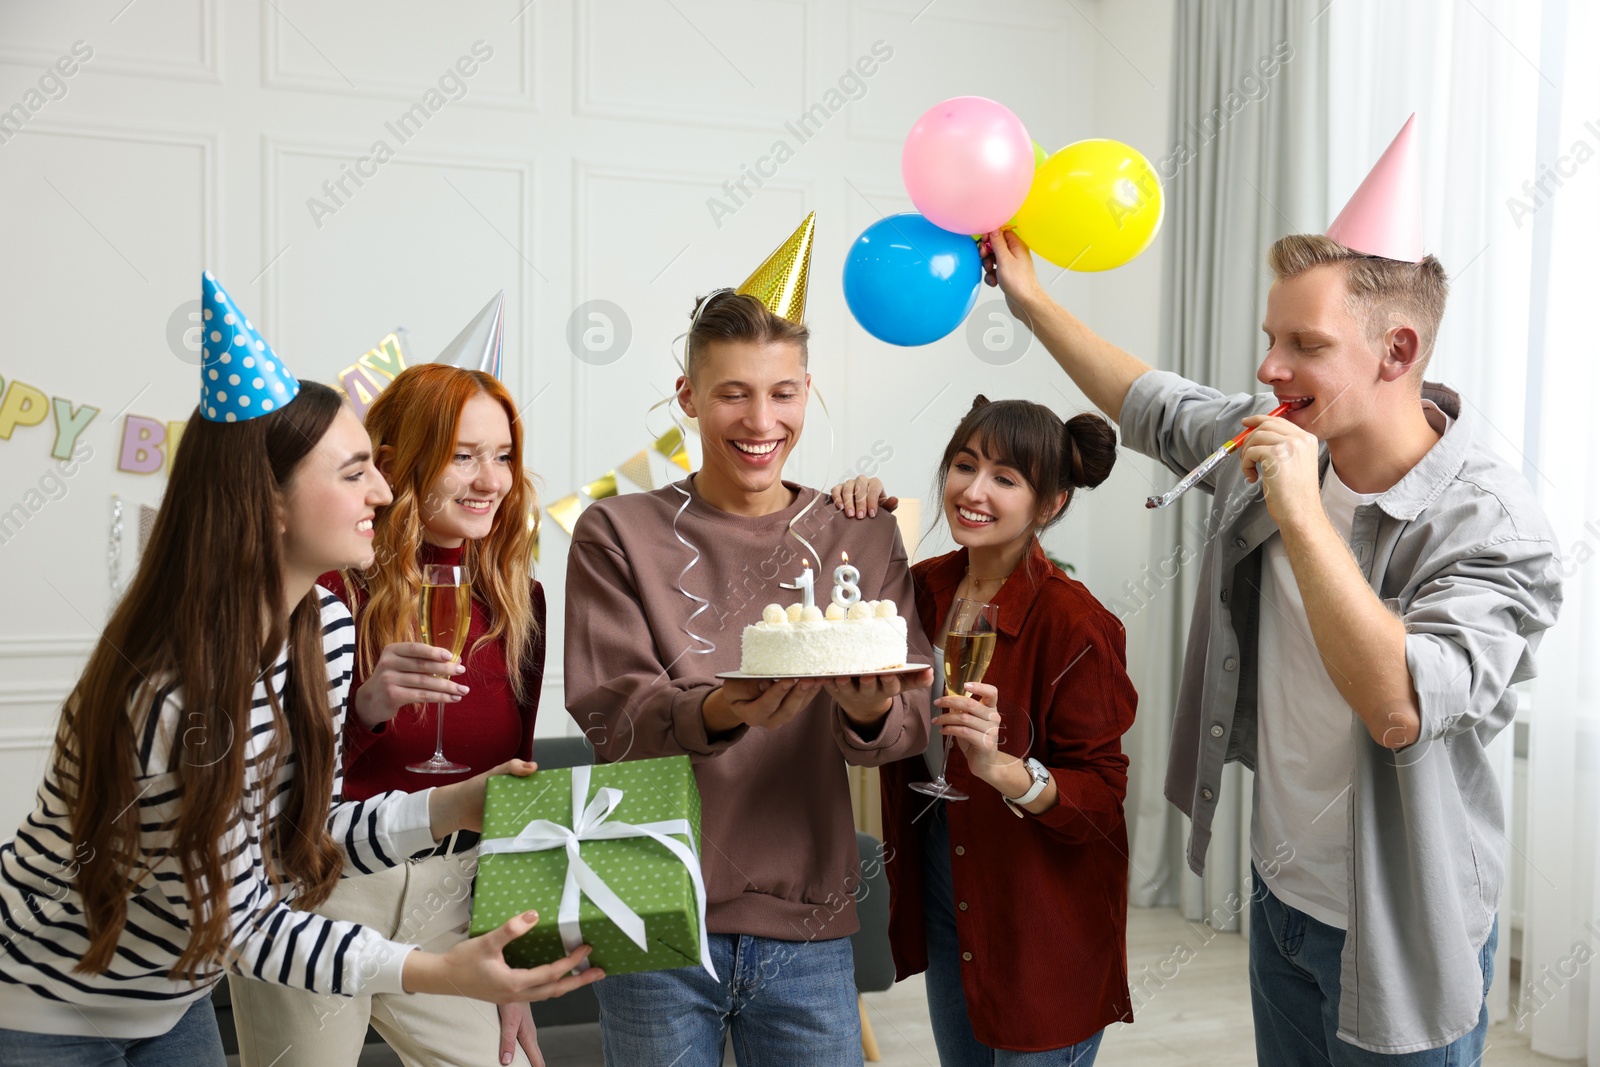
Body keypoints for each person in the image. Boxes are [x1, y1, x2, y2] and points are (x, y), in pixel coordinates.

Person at [978, 119, 1561, 1062]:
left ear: (1396, 349)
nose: (1267, 370)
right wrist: (1032, 298)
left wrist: (1301, 510)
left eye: (1304, 344)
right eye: (1269, 338)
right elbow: (1152, 405)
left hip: (1400, 930)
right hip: (1280, 894)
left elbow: (1398, 705)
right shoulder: (1282, 438)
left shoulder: (1491, 525)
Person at [0, 276, 598, 1067]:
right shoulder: (176, 695)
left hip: (171, 996)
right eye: (355, 472)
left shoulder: (326, 630)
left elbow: (297, 840)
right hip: (46, 1001)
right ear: (269, 501)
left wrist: (453, 802)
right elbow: (245, 921)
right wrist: (431, 970)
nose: (385, 492)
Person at [564, 214, 935, 1067]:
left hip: (805, 918)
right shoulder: (617, 532)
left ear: (809, 392)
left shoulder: (859, 533)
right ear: (689, 396)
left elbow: (912, 715)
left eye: (782, 392)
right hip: (652, 906)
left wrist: (874, 713)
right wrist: (722, 708)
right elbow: (611, 717)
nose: (760, 418)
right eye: (732, 391)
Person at [227, 360, 551, 1067]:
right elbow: (277, 784)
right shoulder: (324, 586)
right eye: (462, 456)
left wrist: (513, 953)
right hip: (320, 891)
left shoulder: (521, 599)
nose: (491, 479)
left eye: (502, 456)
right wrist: (366, 709)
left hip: (453, 901)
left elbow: (511, 789)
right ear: (394, 463)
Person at [834, 395, 1137, 1065]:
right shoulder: (922, 589)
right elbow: (843, 621)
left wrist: (1008, 771)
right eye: (965, 465)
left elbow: (1102, 803)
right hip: (950, 884)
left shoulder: (1077, 625)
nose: (973, 490)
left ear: (1050, 503)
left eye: (1005, 477)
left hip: (1042, 917)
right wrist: (858, 515)